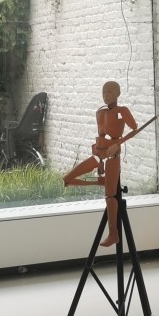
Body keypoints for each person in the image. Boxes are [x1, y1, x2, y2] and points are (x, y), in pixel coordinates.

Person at [64, 81, 139, 247]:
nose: (106, 95)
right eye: (104, 92)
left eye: (110, 92)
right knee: (68, 179)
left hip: (112, 154)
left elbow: (134, 129)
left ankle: (113, 234)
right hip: (99, 153)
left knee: (110, 195)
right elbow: (99, 135)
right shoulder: (99, 112)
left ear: (118, 93)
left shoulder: (122, 111)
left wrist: (118, 143)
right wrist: (98, 163)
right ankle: (102, 182)